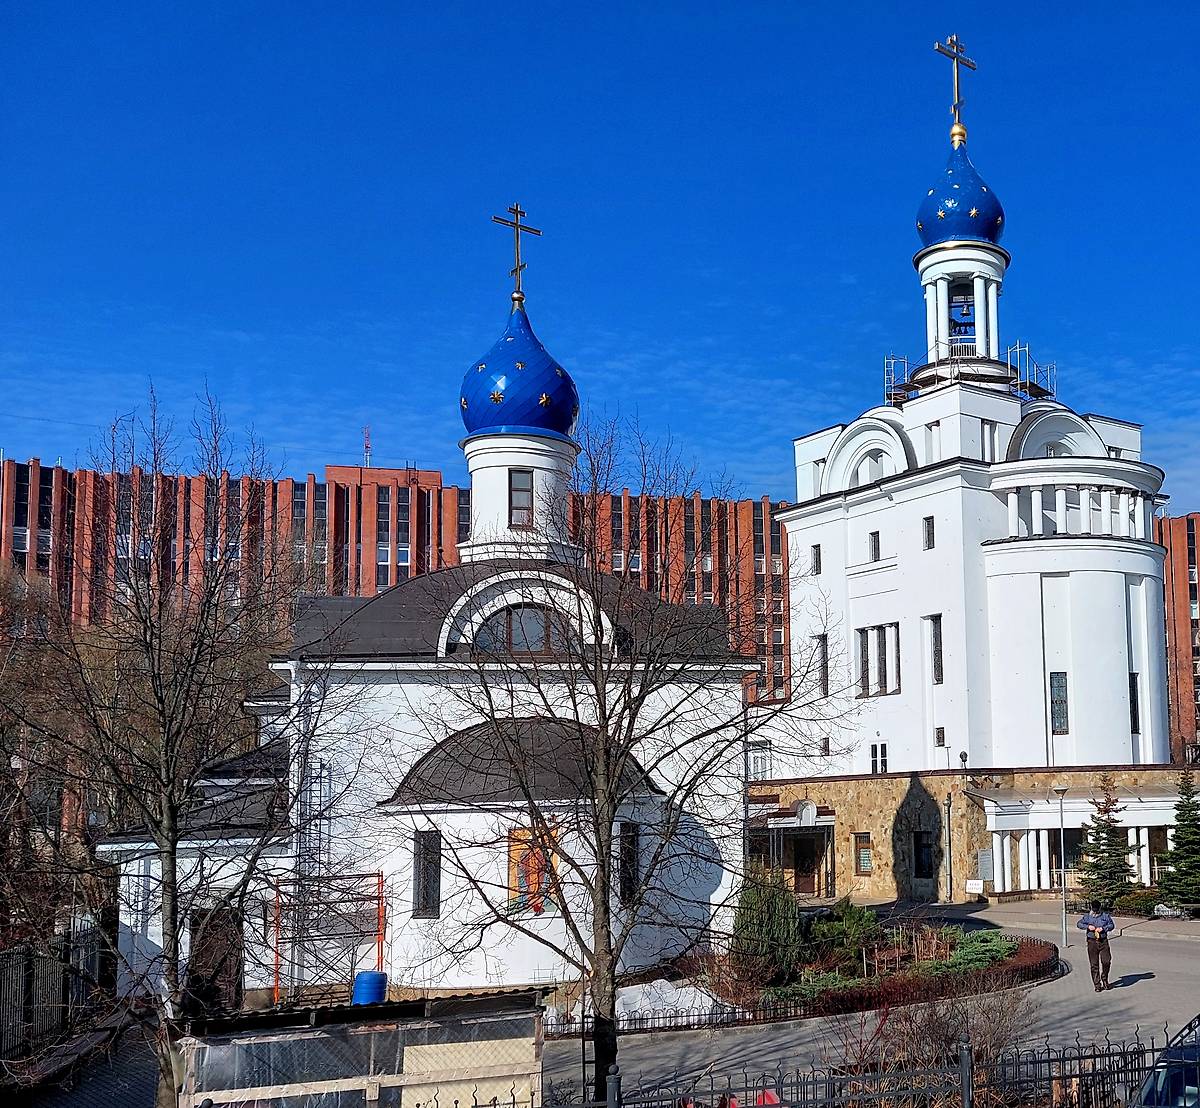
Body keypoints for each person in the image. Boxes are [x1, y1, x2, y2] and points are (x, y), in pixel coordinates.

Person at [1076, 899, 1115, 991]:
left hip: (1103, 941)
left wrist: (1103, 928)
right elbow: (1079, 924)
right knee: (1094, 964)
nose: (1095, 911)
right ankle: (1097, 984)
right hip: (1092, 942)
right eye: (1094, 909)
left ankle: (1104, 978)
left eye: (1096, 910)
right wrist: (1088, 927)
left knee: (1106, 961)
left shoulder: (1105, 916)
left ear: (1099, 908)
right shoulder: (1087, 917)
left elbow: (1111, 925)